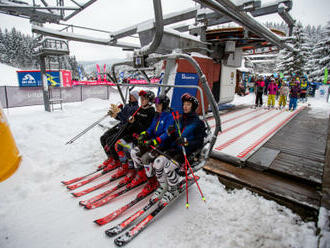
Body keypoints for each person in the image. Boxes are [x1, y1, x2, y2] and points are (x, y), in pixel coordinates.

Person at [151, 93, 206, 204]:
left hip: (186, 152)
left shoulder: (198, 123)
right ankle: (163, 186)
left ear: (193, 107)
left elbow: (199, 142)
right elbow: (175, 136)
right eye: (184, 104)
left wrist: (186, 142)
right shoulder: (180, 119)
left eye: (188, 104)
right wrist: (171, 133)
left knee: (168, 167)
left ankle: (173, 189)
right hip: (175, 149)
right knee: (157, 163)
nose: (185, 106)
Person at [128, 94, 174, 197]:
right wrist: (144, 135)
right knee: (134, 152)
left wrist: (154, 141)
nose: (156, 106)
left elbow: (167, 134)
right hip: (153, 141)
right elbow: (151, 128)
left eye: (159, 104)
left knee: (145, 158)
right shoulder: (157, 115)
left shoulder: (169, 116)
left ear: (165, 105)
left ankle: (152, 181)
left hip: (163, 144)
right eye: (156, 104)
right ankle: (142, 174)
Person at [111, 90, 156, 183]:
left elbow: (146, 128)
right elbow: (132, 124)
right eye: (141, 99)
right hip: (133, 135)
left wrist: (134, 122)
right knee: (118, 144)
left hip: (142, 138)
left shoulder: (151, 112)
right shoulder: (139, 109)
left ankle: (140, 173)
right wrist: (128, 124)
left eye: (145, 99)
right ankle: (127, 168)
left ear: (150, 101)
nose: (142, 100)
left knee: (131, 150)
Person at [99, 90, 139, 171]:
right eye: (130, 95)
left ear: (136, 98)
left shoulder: (135, 108)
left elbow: (127, 119)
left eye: (133, 96)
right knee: (103, 138)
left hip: (125, 128)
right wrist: (114, 115)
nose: (130, 97)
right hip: (121, 125)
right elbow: (121, 117)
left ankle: (116, 160)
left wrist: (118, 113)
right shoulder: (127, 105)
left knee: (110, 140)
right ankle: (110, 157)